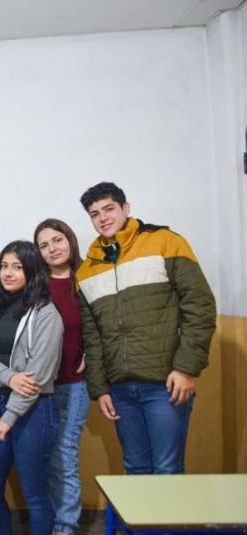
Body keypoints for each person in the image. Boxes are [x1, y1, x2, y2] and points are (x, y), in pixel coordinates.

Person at [76, 183, 216, 476]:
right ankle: (140, 526)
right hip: (120, 389)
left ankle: (167, 525)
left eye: (109, 209)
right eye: (94, 214)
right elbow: (94, 337)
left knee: (167, 469)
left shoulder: (165, 241)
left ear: (126, 208)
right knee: (136, 469)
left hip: (166, 384)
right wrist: (100, 388)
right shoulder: (87, 270)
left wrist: (187, 368)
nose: (102, 218)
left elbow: (199, 306)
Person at [0, 241, 63, 535]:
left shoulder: (46, 313)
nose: (9, 273)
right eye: (5, 266)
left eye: (17, 267)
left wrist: (9, 418)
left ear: (32, 272)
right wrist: (9, 377)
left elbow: (37, 377)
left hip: (36, 410)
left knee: (34, 490)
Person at [30, 219, 89, 535]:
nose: (52, 248)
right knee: (45, 460)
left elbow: (106, 328)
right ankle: (49, 530)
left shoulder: (87, 281)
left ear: (69, 240)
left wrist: (92, 359)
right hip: (39, 387)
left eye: (57, 239)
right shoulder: (35, 285)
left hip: (74, 385)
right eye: (43, 244)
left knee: (64, 458)